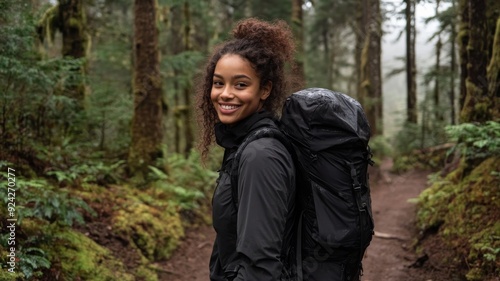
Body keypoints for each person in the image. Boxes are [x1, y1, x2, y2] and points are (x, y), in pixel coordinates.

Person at [195, 18, 298, 281]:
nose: (225, 94)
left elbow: (259, 266)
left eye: (240, 85)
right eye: (219, 83)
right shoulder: (242, 143)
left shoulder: (260, 155)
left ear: (265, 90)